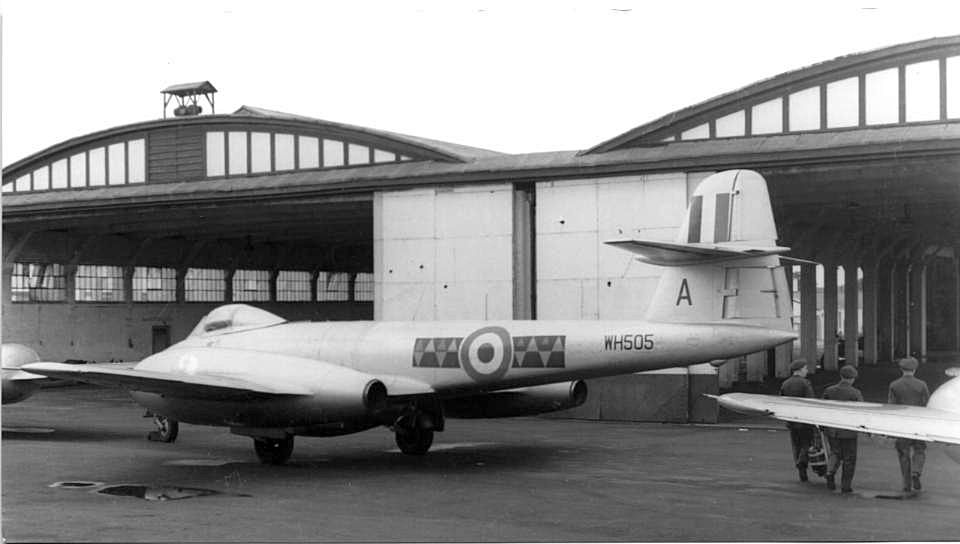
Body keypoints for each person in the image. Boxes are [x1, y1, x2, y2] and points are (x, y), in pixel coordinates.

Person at [888, 356, 930, 493]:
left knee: (903, 454)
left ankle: (906, 485)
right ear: (915, 369)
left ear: (901, 369)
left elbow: (891, 407)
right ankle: (916, 472)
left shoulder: (894, 385)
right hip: (918, 423)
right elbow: (927, 404)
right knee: (919, 450)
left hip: (902, 424)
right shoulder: (922, 384)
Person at [822, 365, 863, 493]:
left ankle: (830, 472)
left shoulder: (829, 390)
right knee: (849, 459)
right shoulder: (855, 393)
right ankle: (846, 486)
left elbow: (821, 409)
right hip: (848, 431)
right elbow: (861, 411)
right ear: (852, 379)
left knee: (835, 452)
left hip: (832, 429)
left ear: (841, 376)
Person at [780, 359, 815, 481]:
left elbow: (782, 401)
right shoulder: (805, 383)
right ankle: (802, 460)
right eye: (805, 368)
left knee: (796, 445)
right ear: (800, 370)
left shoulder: (785, 383)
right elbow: (811, 402)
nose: (807, 371)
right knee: (807, 443)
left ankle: (801, 470)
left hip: (791, 420)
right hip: (804, 420)